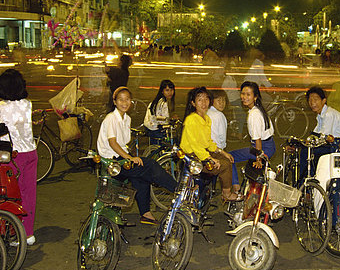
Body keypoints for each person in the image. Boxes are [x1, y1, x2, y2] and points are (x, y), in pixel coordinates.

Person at [97, 87, 177, 224]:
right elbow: (113, 143)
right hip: (112, 162)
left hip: (121, 158)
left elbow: (123, 144)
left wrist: (130, 156)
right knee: (150, 165)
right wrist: (130, 158)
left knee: (141, 176)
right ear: (114, 102)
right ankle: (178, 191)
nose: (124, 102)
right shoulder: (111, 118)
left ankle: (145, 213)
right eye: (121, 99)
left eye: (127, 99)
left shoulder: (126, 119)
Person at [0, 69, 38, 244]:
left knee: (10, 195)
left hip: (12, 156)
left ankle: (12, 232)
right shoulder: (27, 104)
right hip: (31, 152)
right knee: (29, 194)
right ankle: (28, 233)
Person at [180, 87, 240, 201]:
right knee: (225, 165)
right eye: (199, 100)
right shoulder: (191, 120)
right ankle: (226, 194)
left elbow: (208, 142)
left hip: (201, 153)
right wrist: (210, 158)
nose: (204, 103)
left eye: (206, 99)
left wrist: (222, 152)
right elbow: (195, 145)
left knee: (227, 159)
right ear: (193, 103)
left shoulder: (206, 118)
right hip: (192, 157)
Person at [229, 81, 276, 191]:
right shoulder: (259, 109)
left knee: (229, 157)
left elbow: (258, 140)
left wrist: (258, 159)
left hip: (262, 148)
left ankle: (236, 188)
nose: (244, 97)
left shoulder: (254, 115)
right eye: (243, 94)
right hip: (269, 145)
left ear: (255, 97)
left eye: (248, 94)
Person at [299, 86, 340, 179]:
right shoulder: (321, 115)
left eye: (315, 100)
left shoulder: (329, 114)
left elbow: (324, 134)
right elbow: (317, 132)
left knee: (307, 152)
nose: (312, 103)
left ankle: (309, 180)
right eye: (310, 100)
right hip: (332, 142)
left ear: (323, 101)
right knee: (306, 150)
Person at [143, 80, 176, 144]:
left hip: (151, 127)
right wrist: (170, 120)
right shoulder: (162, 102)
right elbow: (158, 118)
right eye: (167, 90)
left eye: (171, 90)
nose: (170, 92)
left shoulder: (159, 100)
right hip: (154, 128)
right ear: (162, 91)